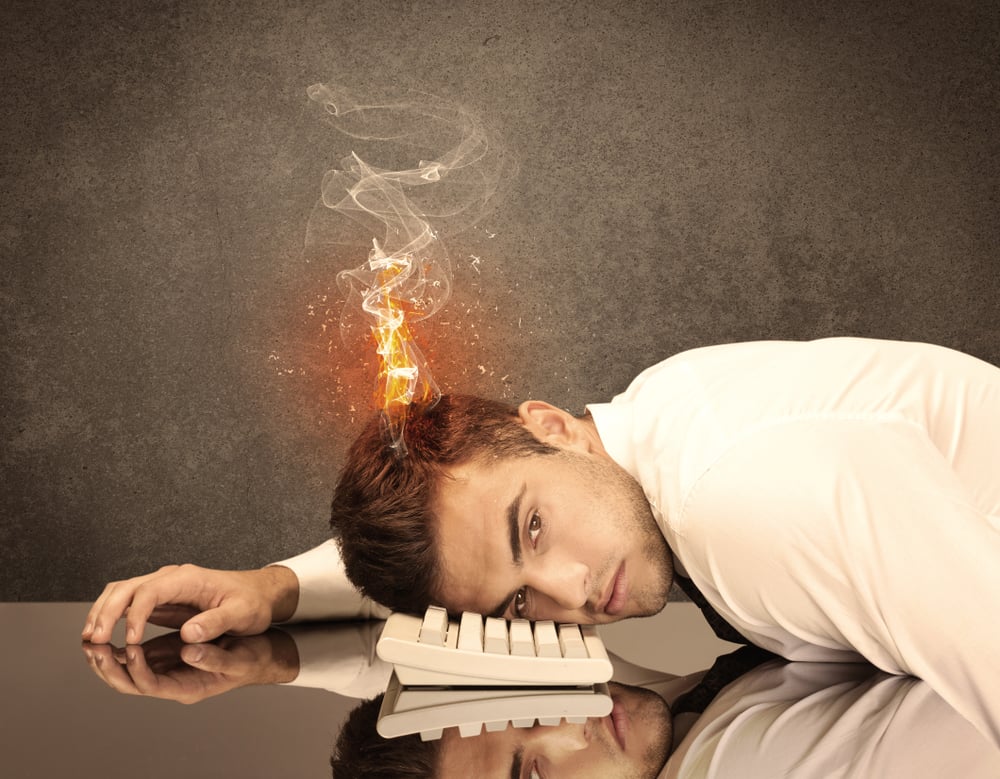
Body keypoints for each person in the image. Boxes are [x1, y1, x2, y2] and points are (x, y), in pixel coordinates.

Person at [82, 337, 1000, 746]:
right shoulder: (642, 435)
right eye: (522, 604)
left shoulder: (740, 502)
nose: (570, 591)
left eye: (532, 527)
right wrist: (278, 586)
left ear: (552, 423)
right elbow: (471, 549)